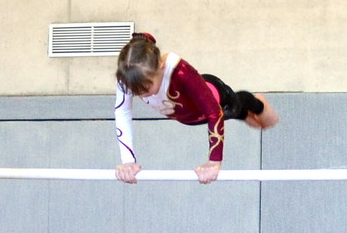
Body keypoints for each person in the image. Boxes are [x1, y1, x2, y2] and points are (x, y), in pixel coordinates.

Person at [113, 32, 279, 185]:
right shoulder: (127, 78)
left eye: (145, 89)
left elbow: (214, 112)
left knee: (233, 108)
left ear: (161, 68)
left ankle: (258, 104)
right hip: (188, 116)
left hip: (216, 99)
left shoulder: (178, 69)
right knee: (233, 114)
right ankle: (244, 115)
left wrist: (214, 161)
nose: (141, 94)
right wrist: (128, 161)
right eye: (136, 92)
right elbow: (122, 112)